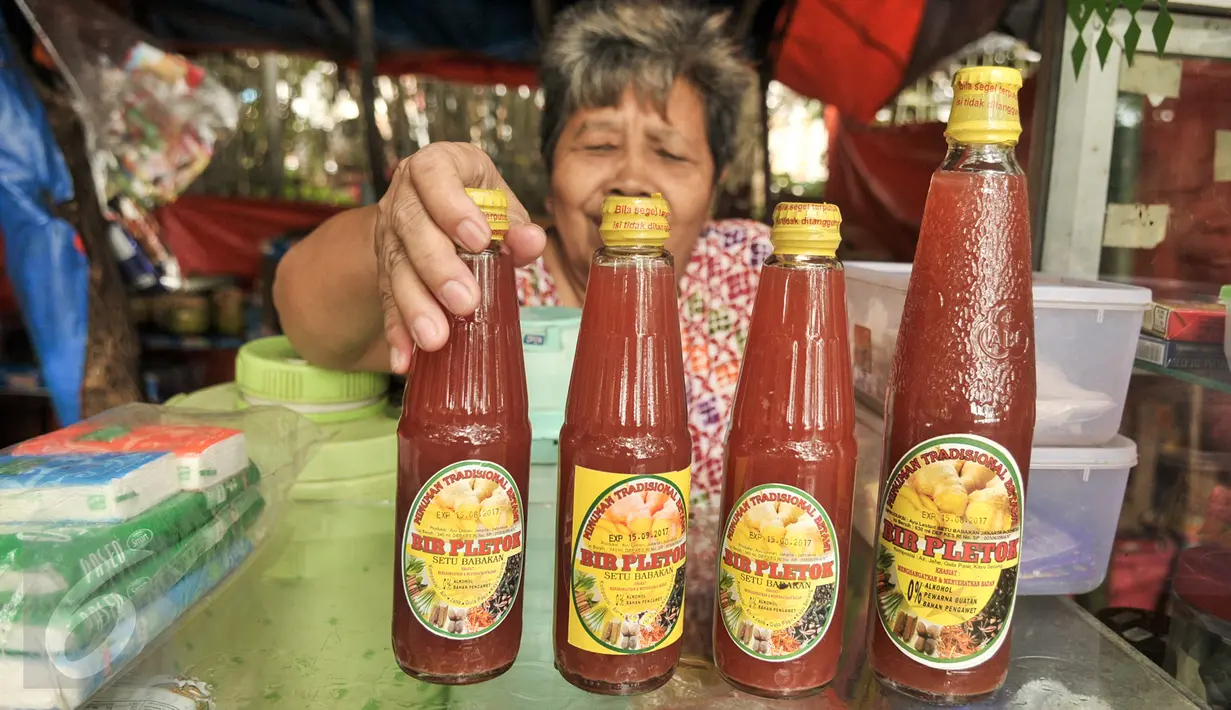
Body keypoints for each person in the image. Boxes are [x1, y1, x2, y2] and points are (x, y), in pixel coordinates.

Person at [274, 0, 765, 504]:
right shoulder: (485, 274)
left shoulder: (759, 273)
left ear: (714, 187)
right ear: (550, 172)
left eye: (670, 154)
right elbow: (310, 317)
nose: (631, 180)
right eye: (598, 145)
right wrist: (400, 223)